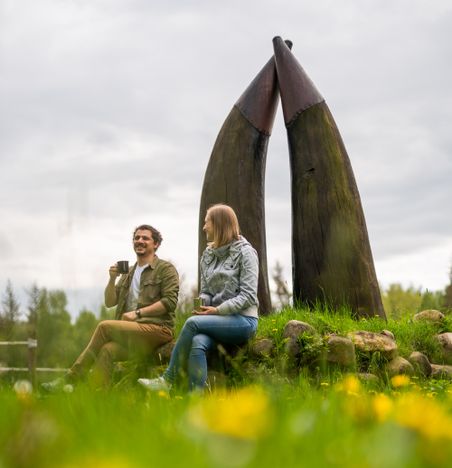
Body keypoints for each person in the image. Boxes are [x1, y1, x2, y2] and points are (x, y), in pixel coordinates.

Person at [41, 224, 179, 391]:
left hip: (158, 330)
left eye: (145, 238)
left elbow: (170, 302)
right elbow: (110, 301)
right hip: (134, 335)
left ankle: (71, 378)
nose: (140, 241)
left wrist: (137, 313)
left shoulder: (165, 269)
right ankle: (96, 397)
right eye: (136, 238)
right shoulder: (128, 272)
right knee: (107, 350)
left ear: (155, 244)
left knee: (104, 327)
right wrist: (112, 279)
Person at [138, 204, 258, 392]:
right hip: (216, 320)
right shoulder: (208, 255)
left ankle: (168, 379)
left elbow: (248, 296)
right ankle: (196, 398)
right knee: (197, 342)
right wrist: (203, 303)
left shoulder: (246, 253)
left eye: (206, 223)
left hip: (243, 320)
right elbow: (207, 290)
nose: (204, 228)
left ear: (218, 224)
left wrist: (218, 310)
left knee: (193, 323)